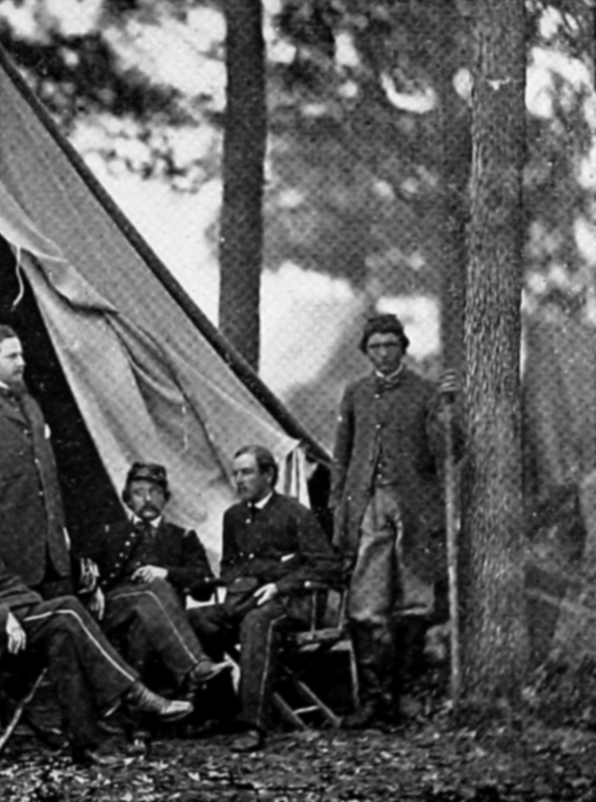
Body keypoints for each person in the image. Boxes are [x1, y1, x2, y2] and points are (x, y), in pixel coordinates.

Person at [0, 453, 194, 765]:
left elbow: (3, 579)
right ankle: (134, 693)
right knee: (67, 610)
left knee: (62, 636)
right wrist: (0, 614)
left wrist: (19, 607)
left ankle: (85, 746)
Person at [331, 313, 460, 727]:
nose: (383, 353)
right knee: (365, 603)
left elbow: (450, 451)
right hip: (368, 505)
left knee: (414, 600)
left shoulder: (426, 392)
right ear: (365, 352)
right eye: (375, 347)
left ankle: (405, 695)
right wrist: (339, 505)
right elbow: (342, 455)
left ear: (403, 347)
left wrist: (446, 413)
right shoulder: (355, 392)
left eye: (390, 345)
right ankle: (373, 700)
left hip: (415, 508)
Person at [190, 445, 339, 752]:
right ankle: (221, 709)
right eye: (235, 474)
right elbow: (229, 566)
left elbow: (326, 565)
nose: (239, 480)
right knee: (197, 619)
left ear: (268, 474)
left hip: (293, 604)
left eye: (247, 472)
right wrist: (240, 584)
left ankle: (252, 725)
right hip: (247, 600)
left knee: (258, 622)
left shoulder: (295, 513)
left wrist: (279, 586)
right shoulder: (233, 516)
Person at [0, 324, 84, 598]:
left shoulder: (30, 405)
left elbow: (47, 477)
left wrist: (59, 531)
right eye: (12, 356)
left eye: (21, 355)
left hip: (51, 552)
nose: (22, 363)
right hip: (8, 556)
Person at [87, 462, 228, 706]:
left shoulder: (182, 537)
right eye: (139, 493)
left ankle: (143, 718)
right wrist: (93, 587)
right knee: (153, 592)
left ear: (166, 498)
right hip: (114, 611)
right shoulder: (109, 534)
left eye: (155, 492)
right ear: (127, 500)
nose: (147, 499)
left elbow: (204, 588)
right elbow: (82, 570)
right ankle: (195, 666)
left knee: (145, 622)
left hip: (157, 620)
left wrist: (167, 572)